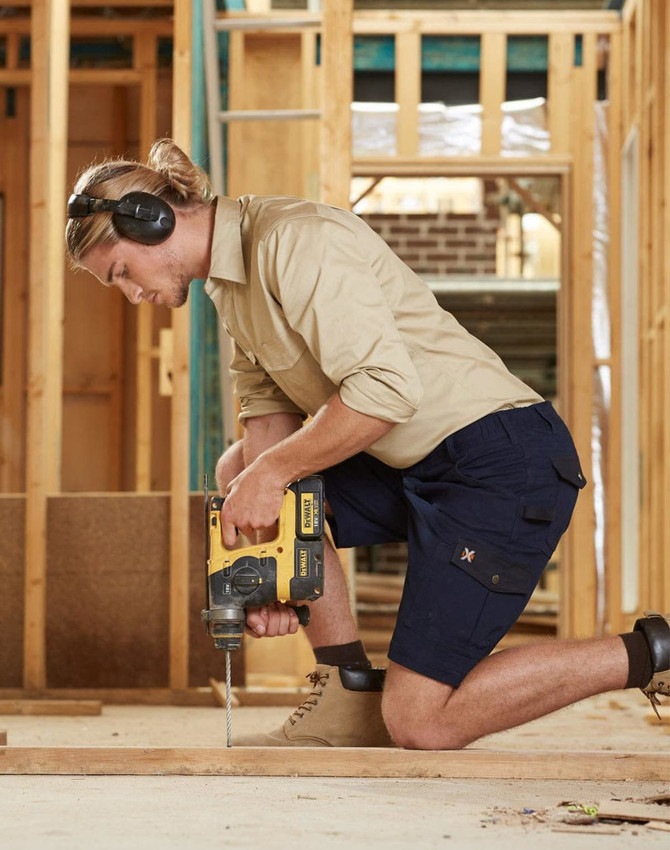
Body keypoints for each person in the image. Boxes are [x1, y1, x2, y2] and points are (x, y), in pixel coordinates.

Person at [66, 139, 669, 749]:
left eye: (120, 273)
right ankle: (347, 691)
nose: (131, 295)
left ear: (151, 219)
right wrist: (271, 571)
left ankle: (656, 651)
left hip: (502, 462)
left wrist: (270, 479)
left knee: (419, 722)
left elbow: (384, 393)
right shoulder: (229, 286)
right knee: (240, 467)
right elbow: (267, 426)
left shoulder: (293, 241)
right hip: (418, 462)